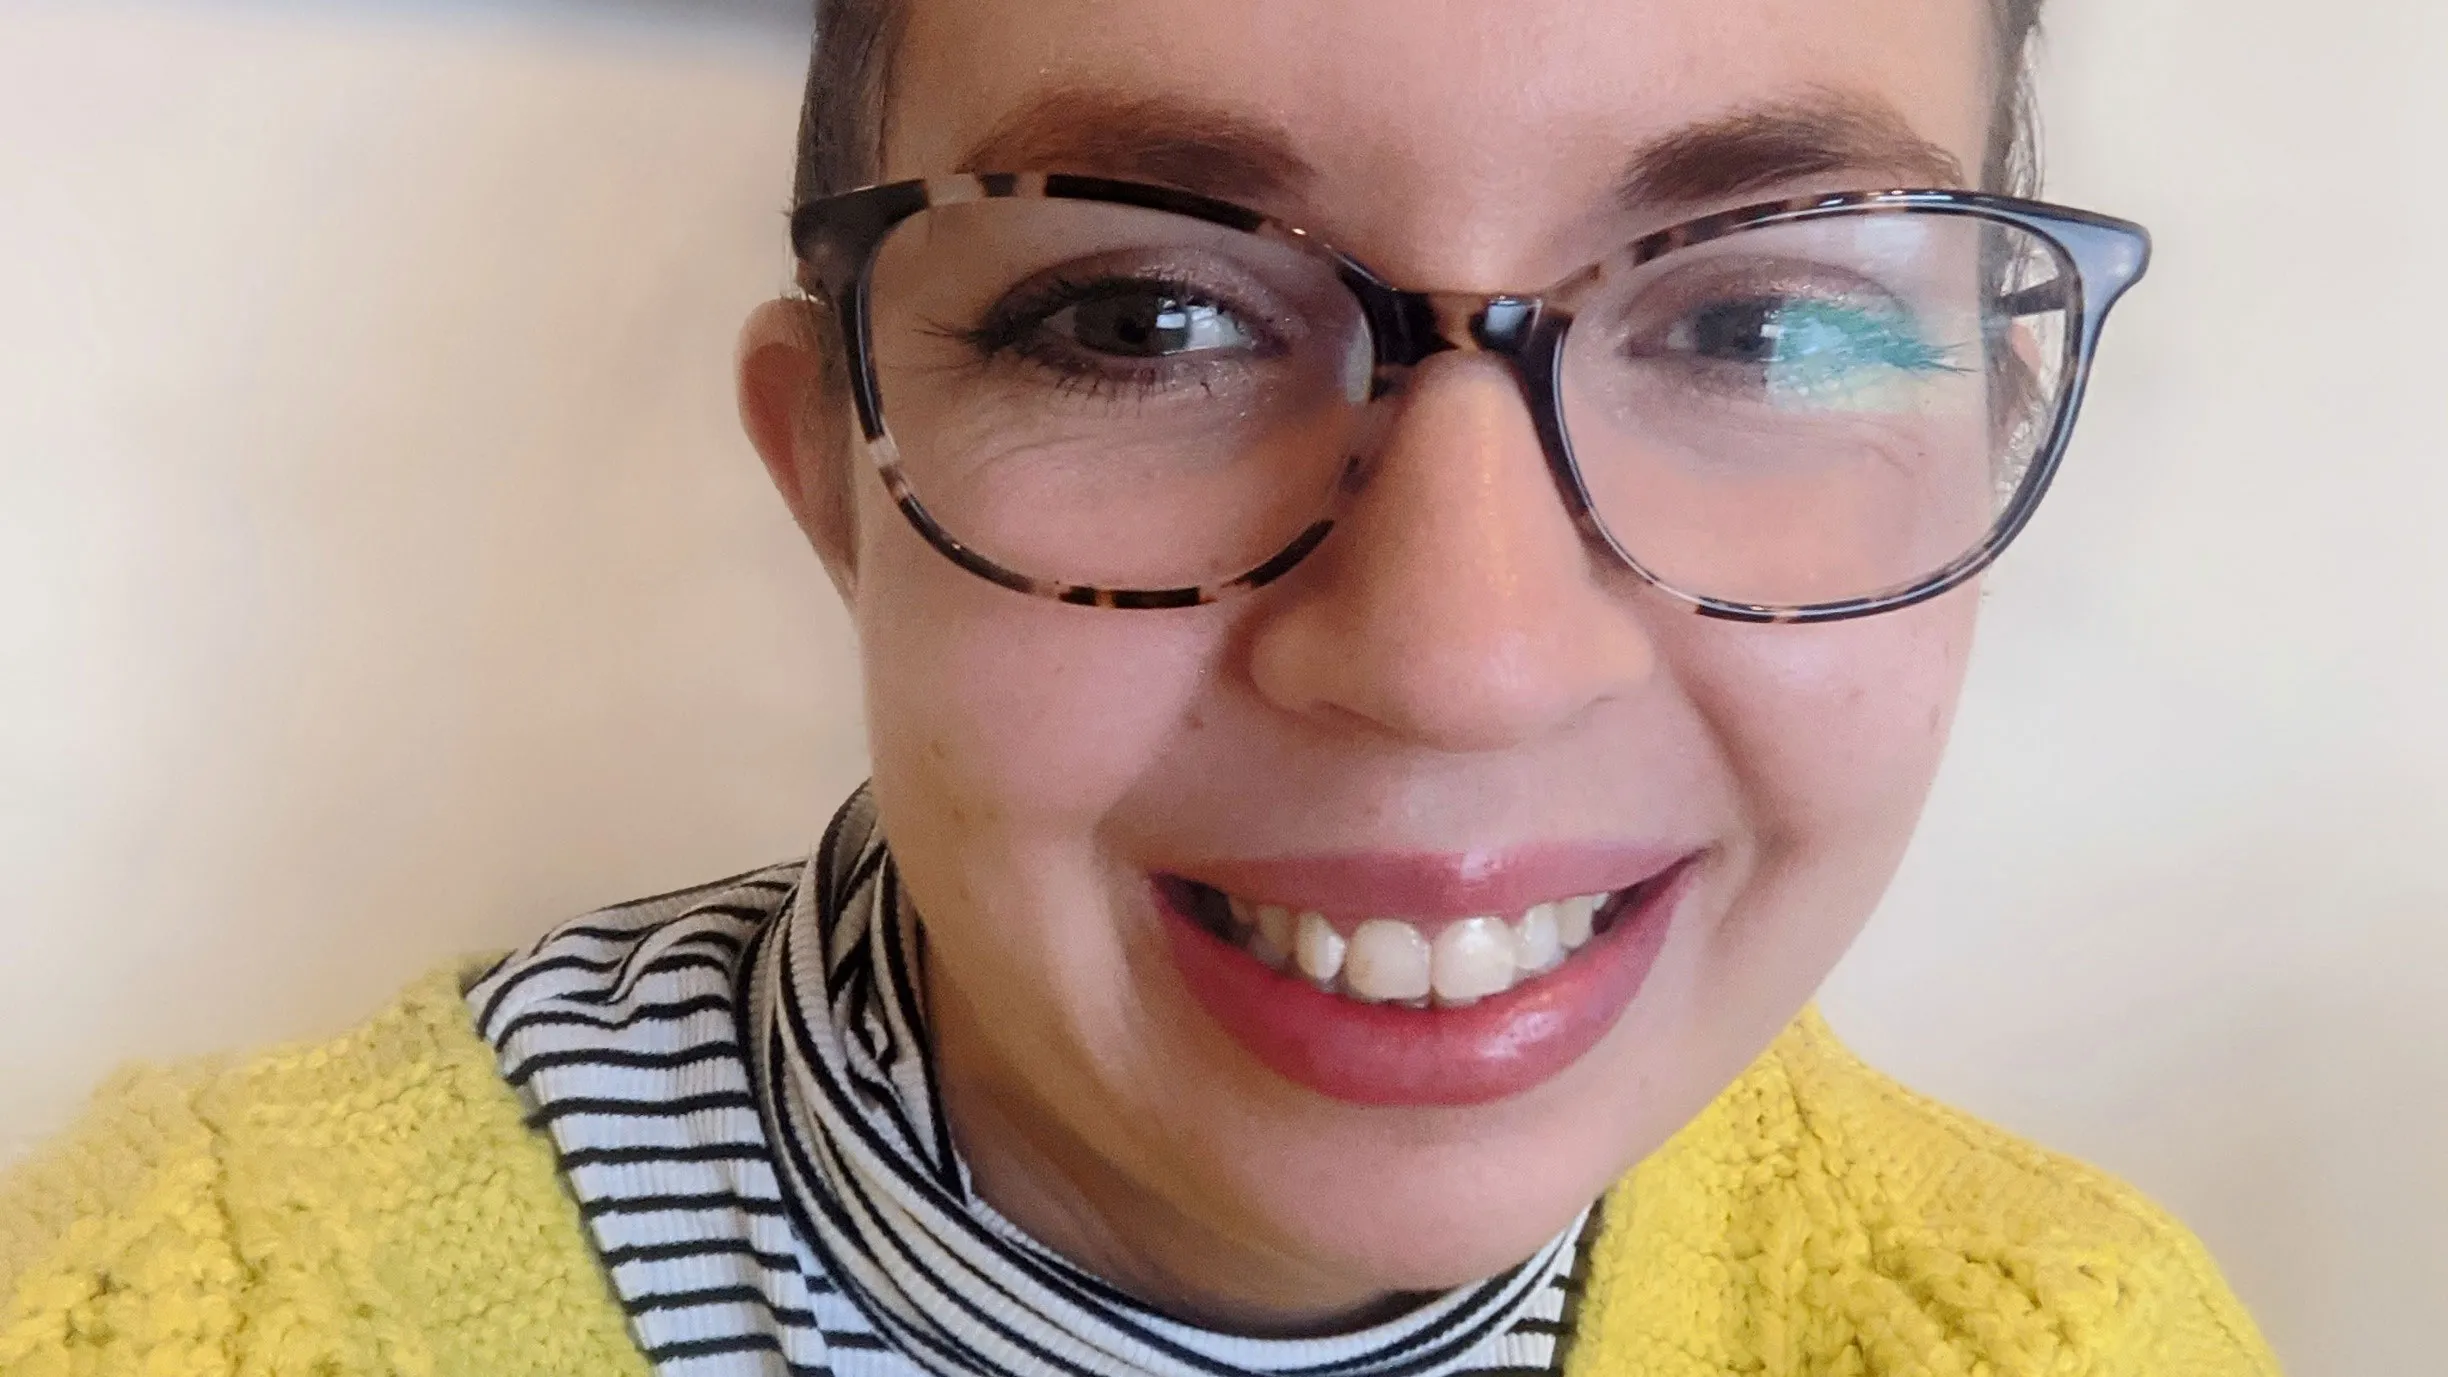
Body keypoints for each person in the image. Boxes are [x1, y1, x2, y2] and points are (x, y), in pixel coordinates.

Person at [0, 0, 2281, 1372]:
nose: (1460, 666)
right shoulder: (193, 1313)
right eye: (1141, 320)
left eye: (1760, 323)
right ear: (836, 479)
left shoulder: (2063, 1334)